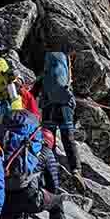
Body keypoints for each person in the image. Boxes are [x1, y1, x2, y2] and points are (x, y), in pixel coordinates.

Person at [30, 52, 83, 188]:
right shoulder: (64, 75)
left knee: (49, 141)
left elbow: (31, 94)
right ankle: (76, 169)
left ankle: (51, 170)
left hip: (49, 110)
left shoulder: (45, 76)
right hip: (66, 111)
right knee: (69, 140)